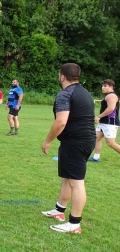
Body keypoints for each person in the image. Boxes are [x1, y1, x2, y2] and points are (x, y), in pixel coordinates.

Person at [41, 63, 95, 233]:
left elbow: (61, 121)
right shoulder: (85, 93)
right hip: (84, 141)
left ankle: (74, 224)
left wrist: (48, 140)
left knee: (76, 182)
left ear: (62, 76)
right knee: (67, 177)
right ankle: (59, 210)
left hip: (76, 143)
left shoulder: (65, 94)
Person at [88, 79, 120, 162]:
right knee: (96, 139)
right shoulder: (107, 95)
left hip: (110, 123)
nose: (102, 88)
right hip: (104, 123)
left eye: (105, 86)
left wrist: (99, 117)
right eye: (102, 86)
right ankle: (96, 158)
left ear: (111, 87)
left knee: (110, 143)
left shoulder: (111, 96)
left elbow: (111, 108)